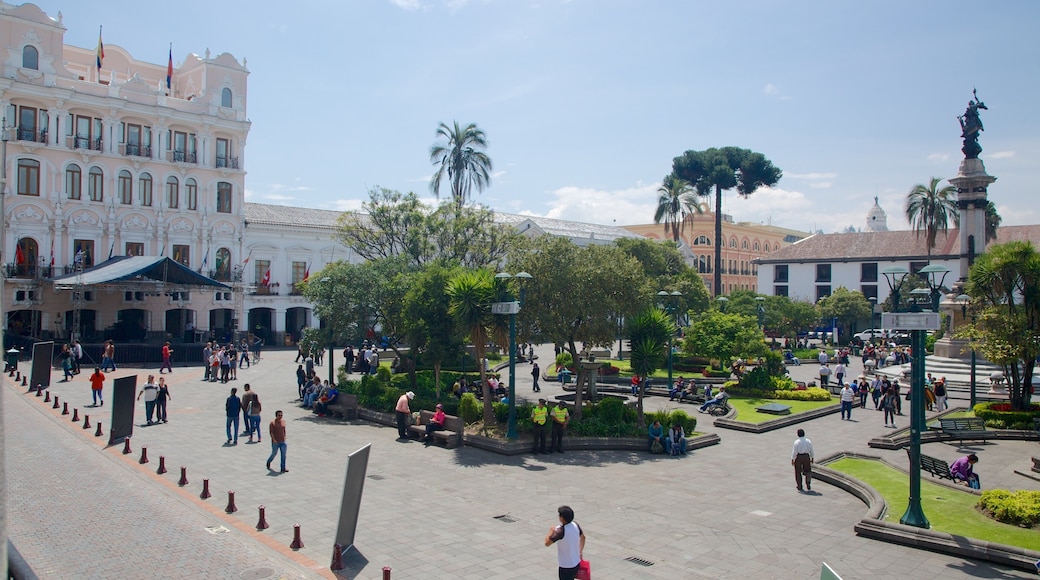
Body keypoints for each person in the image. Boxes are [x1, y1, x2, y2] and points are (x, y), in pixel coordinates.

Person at [544, 505, 585, 580]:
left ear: (562, 518)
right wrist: (580, 552)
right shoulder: (575, 525)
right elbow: (583, 537)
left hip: (566, 567)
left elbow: (547, 543)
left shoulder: (560, 531)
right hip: (576, 563)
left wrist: (551, 531)